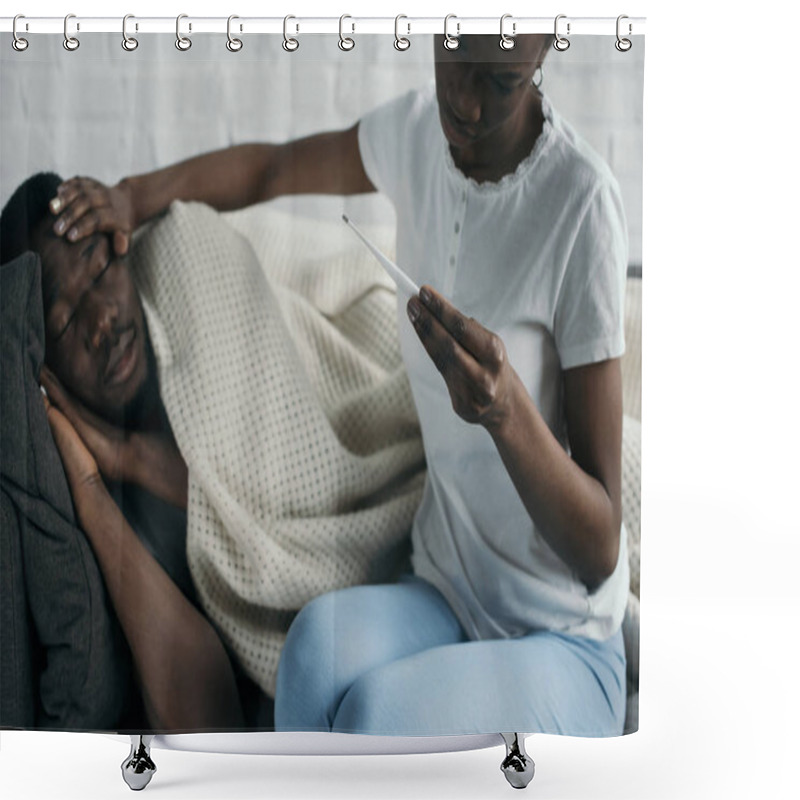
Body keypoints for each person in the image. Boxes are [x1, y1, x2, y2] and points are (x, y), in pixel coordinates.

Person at [12, 32, 629, 736]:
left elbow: (600, 549)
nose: (463, 101)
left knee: (373, 713)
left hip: (563, 637)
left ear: (547, 47)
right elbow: (272, 168)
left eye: (499, 81)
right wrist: (130, 195)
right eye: (455, 57)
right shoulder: (417, 133)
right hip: (449, 596)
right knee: (311, 652)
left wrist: (506, 411)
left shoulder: (582, 205)